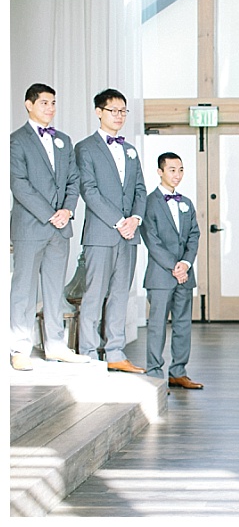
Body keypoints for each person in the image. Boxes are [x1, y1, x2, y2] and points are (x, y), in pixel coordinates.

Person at [9, 83, 89, 370]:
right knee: (24, 288)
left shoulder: (64, 141)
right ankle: (19, 348)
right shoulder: (16, 140)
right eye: (44, 103)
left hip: (60, 227)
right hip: (30, 227)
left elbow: (73, 179)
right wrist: (50, 214)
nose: (50, 108)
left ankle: (56, 345)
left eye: (53, 103)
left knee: (55, 289)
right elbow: (19, 184)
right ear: (29, 105)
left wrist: (67, 210)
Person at [76, 88, 147, 373]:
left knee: (121, 294)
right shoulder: (85, 147)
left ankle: (115, 352)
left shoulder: (130, 150)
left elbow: (140, 189)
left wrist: (136, 219)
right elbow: (88, 191)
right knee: (94, 295)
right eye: (113, 110)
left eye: (123, 111)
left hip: (129, 236)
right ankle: (89, 354)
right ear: (98, 112)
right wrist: (120, 221)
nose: (118, 116)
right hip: (101, 234)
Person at [140, 152, 203, 389]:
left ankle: (178, 371)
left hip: (184, 276)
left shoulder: (186, 203)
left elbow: (194, 236)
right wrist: (173, 267)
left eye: (180, 170)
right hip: (160, 276)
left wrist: (185, 264)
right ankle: (155, 374)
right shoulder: (148, 202)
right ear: (160, 172)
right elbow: (151, 240)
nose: (177, 175)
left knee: (183, 324)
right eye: (172, 170)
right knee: (157, 326)